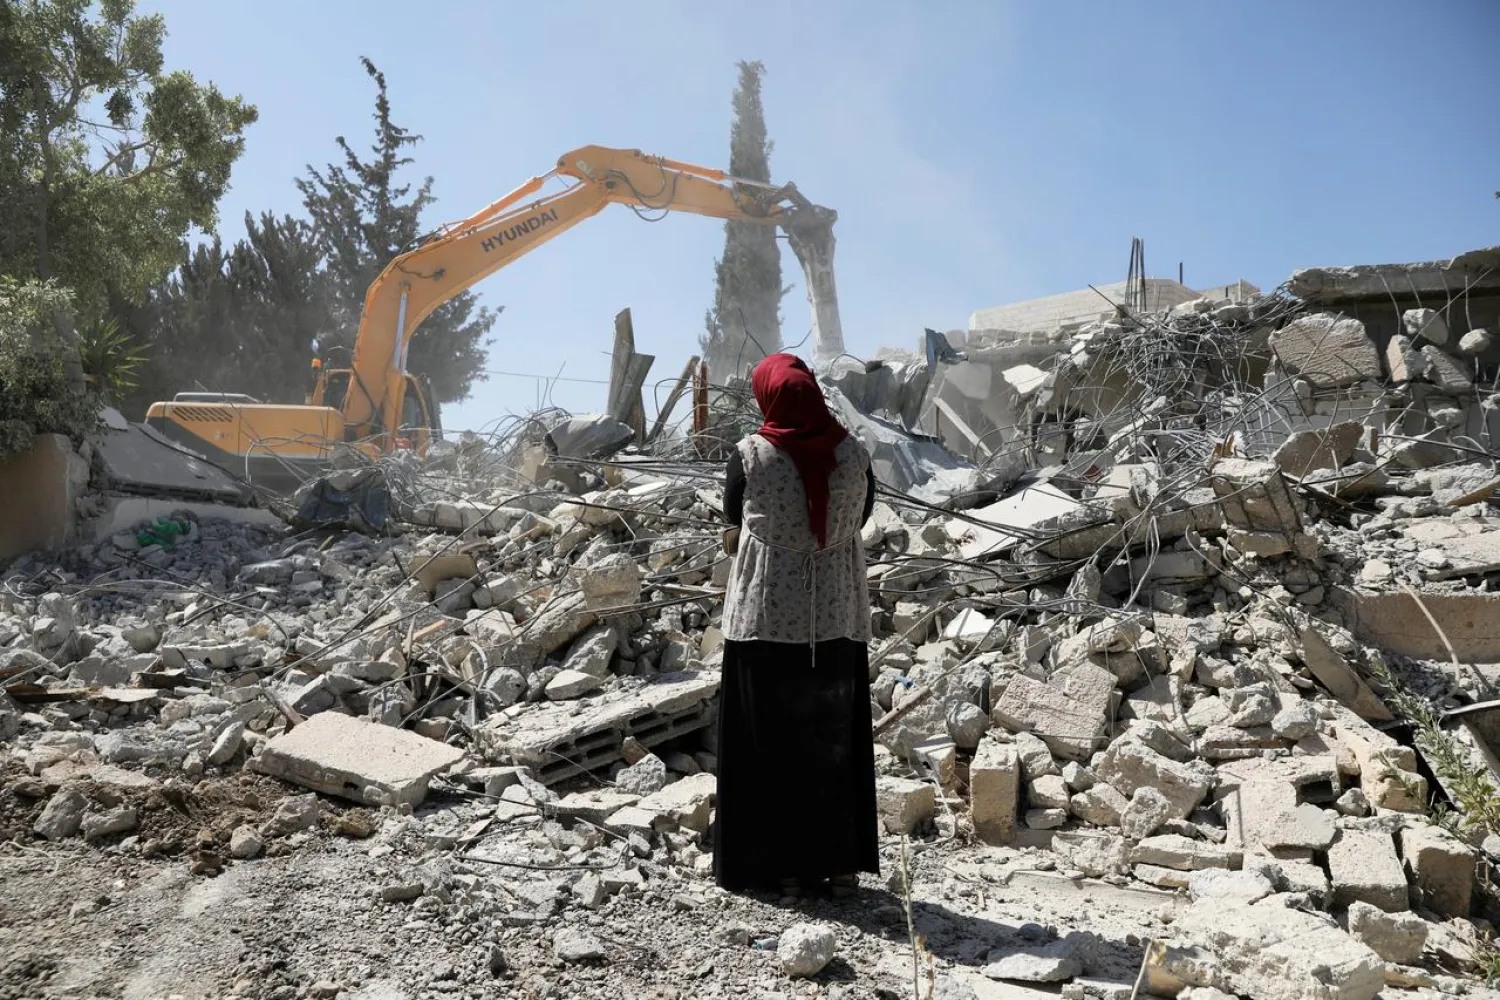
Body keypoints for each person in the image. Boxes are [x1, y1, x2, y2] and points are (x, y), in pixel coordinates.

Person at [712, 352, 880, 895]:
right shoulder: (855, 454)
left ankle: (771, 867)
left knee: (767, 742)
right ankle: (837, 864)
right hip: (836, 615)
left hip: (765, 620)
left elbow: (733, 520)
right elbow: (862, 516)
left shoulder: (750, 456)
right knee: (831, 739)